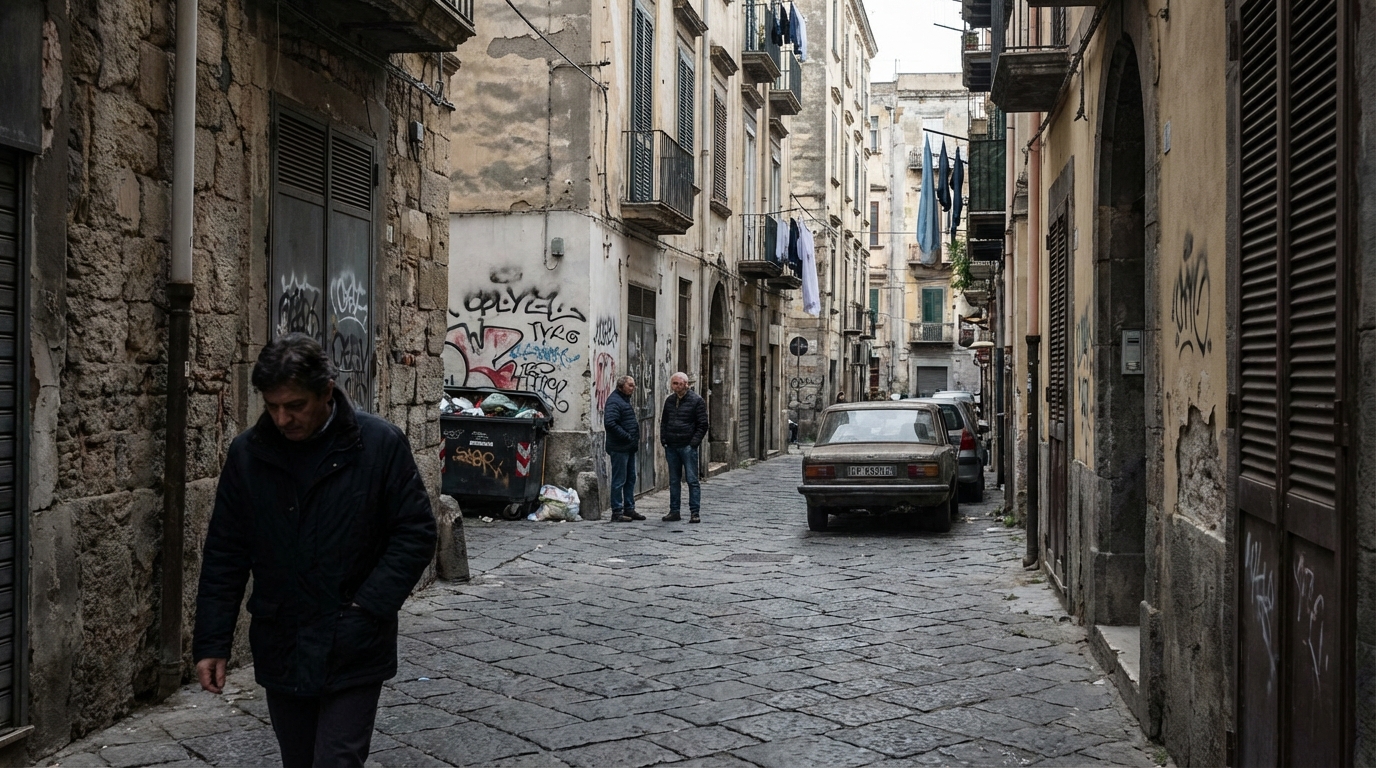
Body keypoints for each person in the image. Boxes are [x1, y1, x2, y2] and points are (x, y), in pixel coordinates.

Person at [192, 334, 436, 768]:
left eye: (295, 406)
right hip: (281, 638)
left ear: (326, 391)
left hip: (355, 642)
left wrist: (368, 606)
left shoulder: (378, 445)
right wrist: (213, 641)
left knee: (337, 761)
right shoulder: (249, 455)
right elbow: (226, 552)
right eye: (272, 407)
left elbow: (414, 532)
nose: (282, 418)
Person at [659, 372, 708, 523]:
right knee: (674, 481)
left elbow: (703, 424)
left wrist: (693, 443)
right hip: (672, 446)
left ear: (686, 384)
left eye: (679, 384)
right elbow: (664, 422)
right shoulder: (669, 401)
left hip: (687, 446)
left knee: (692, 480)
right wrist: (664, 439)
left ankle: (694, 512)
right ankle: (674, 511)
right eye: (674, 383)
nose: (676, 387)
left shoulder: (697, 401)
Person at [603, 375, 645, 522]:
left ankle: (629, 508)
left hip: (628, 447)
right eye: (630, 386)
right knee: (619, 480)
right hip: (619, 447)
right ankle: (617, 511)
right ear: (621, 386)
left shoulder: (623, 400)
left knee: (630, 478)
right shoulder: (615, 401)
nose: (633, 388)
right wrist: (626, 436)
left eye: (633, 385)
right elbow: (610, 423)